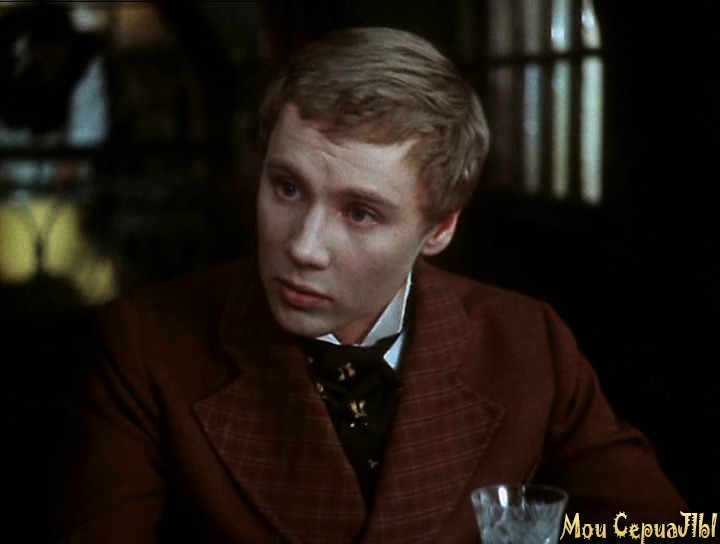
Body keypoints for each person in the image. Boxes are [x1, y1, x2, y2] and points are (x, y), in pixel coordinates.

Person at [50, 27, 686, 543]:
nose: (303, 247)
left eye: (360, 213)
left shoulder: (527, 343)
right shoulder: (145, 346)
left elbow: (663, 529)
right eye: (287, 187)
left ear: (440, 228)